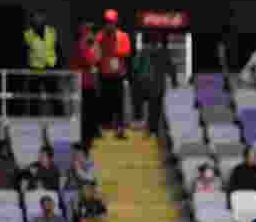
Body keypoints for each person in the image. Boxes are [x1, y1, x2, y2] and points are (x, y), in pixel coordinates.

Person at [131, 32, 178, 137]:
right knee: (155, 108)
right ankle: (153, 129)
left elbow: (135, 67)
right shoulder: (163, 52)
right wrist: (174, 81)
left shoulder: (143, 51)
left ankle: (150, 128)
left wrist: (135, 81)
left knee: (151, 108)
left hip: (146, 84)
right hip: (156, 85)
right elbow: (171, 67)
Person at [96, 9, 132, 139]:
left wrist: (111, 53)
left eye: (111, 22)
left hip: (117, 75)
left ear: (116, 22)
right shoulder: (99, 36)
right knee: (103, 102)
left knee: (118, 103)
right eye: (107, 22)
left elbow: (126, 53)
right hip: (103, 74)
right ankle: (102, 128)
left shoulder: (123, 36)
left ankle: (119, 129)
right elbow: (95, 54)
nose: (109, 24)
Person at [22, 10, 58, 116]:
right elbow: (26, 51)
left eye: (40, 17)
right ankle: (34, 117)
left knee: (54, 94)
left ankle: (60, 116)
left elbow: (57, 48)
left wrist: (58, 65)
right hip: (35, 68)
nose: (38, 19)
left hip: (50, 66)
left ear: (44, 18)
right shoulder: (28, 34)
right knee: (34, 96)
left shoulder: (52, 31)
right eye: (35, 17)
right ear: (32, 20)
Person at [72, 22, 101, 148]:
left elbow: (97, 57)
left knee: (90, 113)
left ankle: (88, 139)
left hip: (90, 83)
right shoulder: (82, 44)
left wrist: (94, 47)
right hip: (82, 83)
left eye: (91, 30)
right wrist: (93, 50)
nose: (91, 33)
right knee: (85, 114)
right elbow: (90, 60)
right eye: (88, 30)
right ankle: (83, 141)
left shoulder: (91, 43)